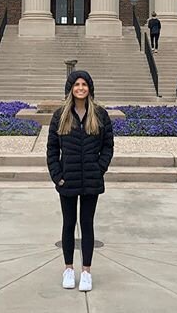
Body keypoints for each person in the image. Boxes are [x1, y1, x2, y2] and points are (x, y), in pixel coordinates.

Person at [46, 69, 114, 292]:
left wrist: (99, 168)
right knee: (68, 224)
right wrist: (58, 176)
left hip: (91, 180)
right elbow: (52, 149)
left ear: (90, 88)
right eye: (77, 85)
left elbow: (108, 146)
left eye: (84, 84)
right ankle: (68, 269)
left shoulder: (100, 115)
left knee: (87, 225)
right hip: (68, 180)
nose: (81, 88)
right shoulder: (60, 115)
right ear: (70, 89)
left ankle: (86, 271)